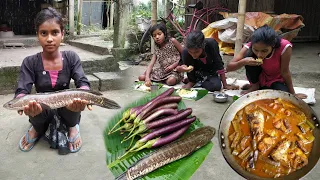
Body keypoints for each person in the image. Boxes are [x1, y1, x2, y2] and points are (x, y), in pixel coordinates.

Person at [15, 7, 92, 154]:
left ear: (62, 34)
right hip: (42, 108)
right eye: (44, 33)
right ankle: (37, 128)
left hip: (67, 108)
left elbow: (82, 82)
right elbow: (22, 90)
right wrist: (21, 103)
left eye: (55, 32)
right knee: (33, 106)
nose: (49, 39)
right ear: (37, 35)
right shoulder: (30, 62)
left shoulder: (71, 58)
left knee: (73, 103)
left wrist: (84, 96)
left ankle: (72, 126)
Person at [226, 25, 307, 99]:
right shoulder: (250, 46)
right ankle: (255, 86)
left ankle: (261, 87)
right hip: (260, 77)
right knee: (248, 55)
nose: (259, 54)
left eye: (264, 51)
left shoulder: (284, 47)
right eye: (256, 50)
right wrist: (243, 62)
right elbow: (229, 67)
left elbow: (285, 72)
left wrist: (293, 94)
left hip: (276, 79)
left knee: (283, 96)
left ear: (273, 45)